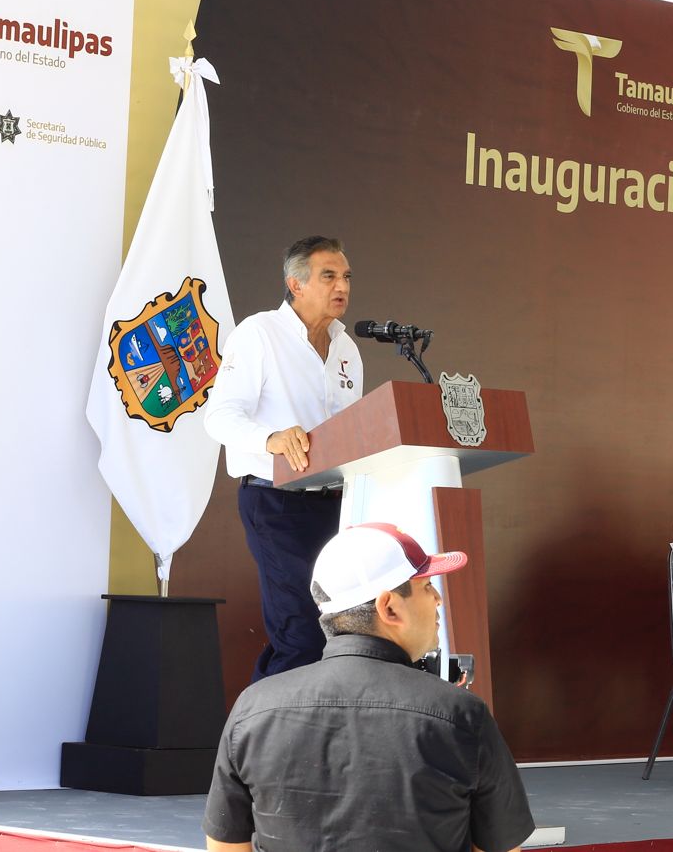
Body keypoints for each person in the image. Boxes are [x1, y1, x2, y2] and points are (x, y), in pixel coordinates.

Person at [202, 522, 534, 852]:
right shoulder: (460, 715)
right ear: (388, 606)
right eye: (427, 586)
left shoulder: (253, 709)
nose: (438, 599)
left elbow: (226, 846)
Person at [204, 235, 363, 680]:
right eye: (328, 276)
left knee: (339, 637)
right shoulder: (258, 334)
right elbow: (218, 417)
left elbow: (352, 430)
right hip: (276, 503)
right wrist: (270, 438)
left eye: (346, 277)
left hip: (337, 507)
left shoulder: (347, 349)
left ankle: (310, 725)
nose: (342, 286)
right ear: (296, 284)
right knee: (301, 636)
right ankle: (264, 725)